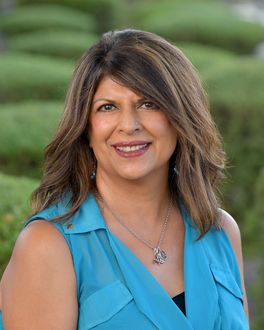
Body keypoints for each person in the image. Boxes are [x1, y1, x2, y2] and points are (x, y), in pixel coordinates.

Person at [0, 29, 249, 329]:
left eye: (148, 104)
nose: (129, 125)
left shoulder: (219, 231)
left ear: (180, 117)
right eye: (107, 107)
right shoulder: (48, 247)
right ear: (85, 128)